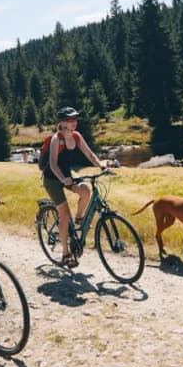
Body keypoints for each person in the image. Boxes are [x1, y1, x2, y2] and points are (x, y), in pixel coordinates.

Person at [41, 106, 108, 268]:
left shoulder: (76, 136)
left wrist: (101, 165)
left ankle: (78, 218)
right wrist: (63, 179)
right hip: (52, 179)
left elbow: (90, 154)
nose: (74, 122)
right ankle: (66, 254)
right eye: (71, 119)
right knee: (64, 214)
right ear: (62, 122)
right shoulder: (57, 139)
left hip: (67, 175)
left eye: (75, 119)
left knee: (85, 190)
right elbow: (52, 164)